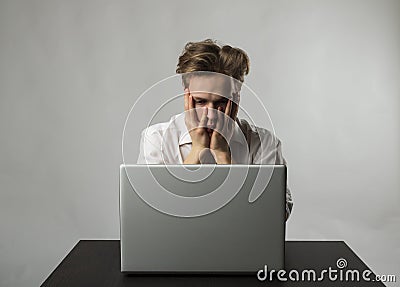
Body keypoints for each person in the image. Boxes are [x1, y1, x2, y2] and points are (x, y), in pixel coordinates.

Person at [137, 39, 293, 219]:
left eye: (221, 102)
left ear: (236, 98)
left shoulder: (264, 144)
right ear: (186, 94)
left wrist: (222, 155)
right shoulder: (155, 139)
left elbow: (275, 216)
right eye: (200, 101)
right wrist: (196, 152)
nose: (210, 114)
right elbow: (153, 215)